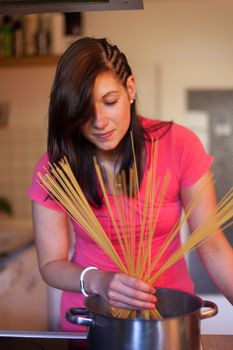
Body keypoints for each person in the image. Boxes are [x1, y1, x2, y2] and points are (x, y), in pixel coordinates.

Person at [28, 36, 233, 331]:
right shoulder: (54, 168)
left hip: (169, 319)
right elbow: (51, 265)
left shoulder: (178, 145)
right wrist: (98, 280)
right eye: (84, 108)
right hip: (89, 319)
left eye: (110, 102)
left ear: (131, 89)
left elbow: (211, 244)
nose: (99, 121)